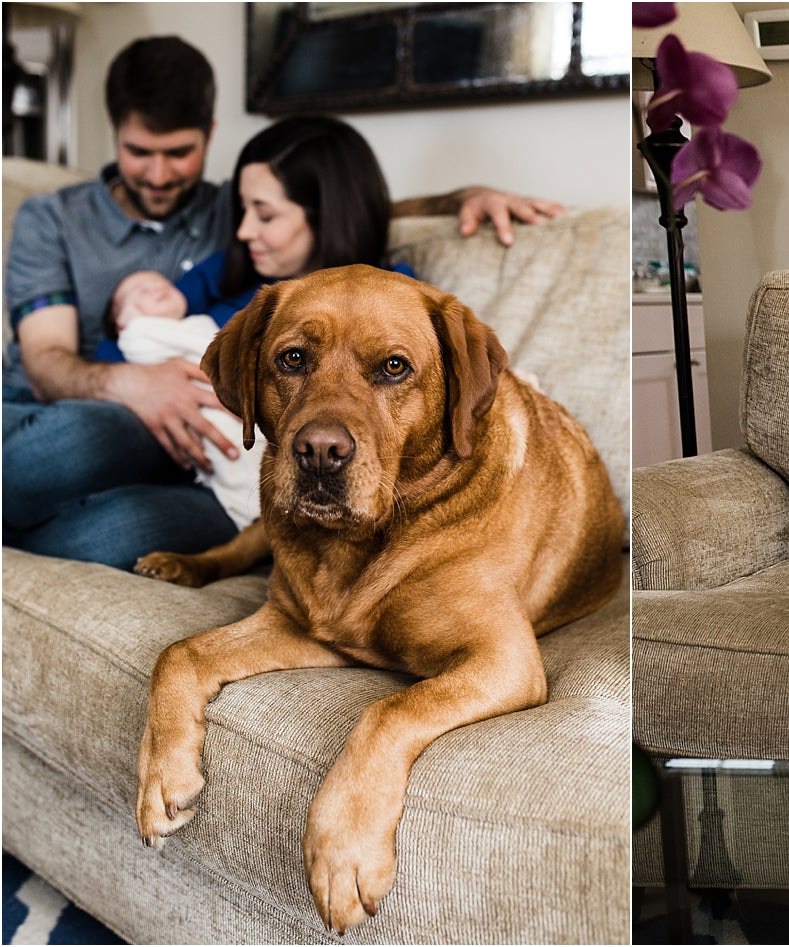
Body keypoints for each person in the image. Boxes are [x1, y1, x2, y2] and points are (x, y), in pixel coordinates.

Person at [2, 36, 555, 567]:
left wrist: (464, 197)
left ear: (209, 135)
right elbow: (46, 363)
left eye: (179, 152)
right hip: (109, 412)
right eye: (139, 151)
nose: (159, 173)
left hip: (224, 466)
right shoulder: (56, 219)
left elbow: (329, 194)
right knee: (76, 441)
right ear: (113, 133)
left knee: (105, 536)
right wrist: (137, 386)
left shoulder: (226, 211)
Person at [106, 269, 263, 531]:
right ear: (122, 323)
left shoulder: (200, 323)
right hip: (205, 418)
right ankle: (254, 518)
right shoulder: (137, 333)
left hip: (239, 411)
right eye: (141, 292)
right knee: (235, 464)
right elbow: (211, 357)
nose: (157, 288)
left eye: (162, 283)